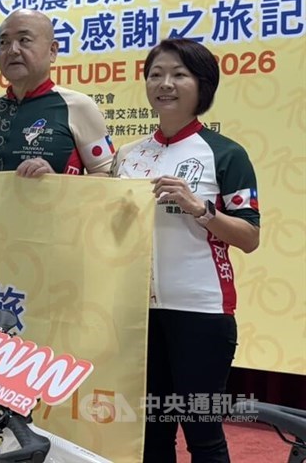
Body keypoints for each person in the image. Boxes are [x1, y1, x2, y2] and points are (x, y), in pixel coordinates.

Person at [111, 38, 260, 463]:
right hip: (137, 313)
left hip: (201, 311)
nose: (165, 83)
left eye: (179, 74)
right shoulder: (129, 156)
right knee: (151, 434)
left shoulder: (226, 153)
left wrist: (202, 209)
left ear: (203, 84)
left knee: (202, 434)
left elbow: (250, 237)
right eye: (156, 74)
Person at [0, 8, 113, 179]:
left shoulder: (78, 106)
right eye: (3, 42)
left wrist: (57, 182)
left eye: (24, 40)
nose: (12, 50)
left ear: (52, 51)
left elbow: (109, 177)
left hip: (56, 211)